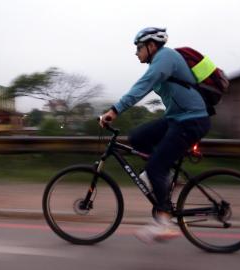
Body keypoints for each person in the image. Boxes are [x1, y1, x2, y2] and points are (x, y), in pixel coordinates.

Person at [99, 27, 211, 243]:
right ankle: (163, 178)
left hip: (192, 120)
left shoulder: (165, 57)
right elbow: (147, 87)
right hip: (177, 118)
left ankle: (164, 221)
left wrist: (114, 110)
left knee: (155, 167)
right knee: (138, 138)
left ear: (151, 46)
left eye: (139, 47)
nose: (136, 52)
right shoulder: (158, 62)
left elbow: (142, 86)